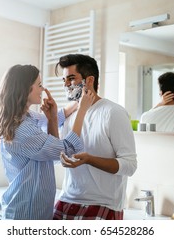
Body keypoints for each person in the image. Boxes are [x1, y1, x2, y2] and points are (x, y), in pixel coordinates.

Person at [0, 64, 94, 220]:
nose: (42, 89)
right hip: (26, 214)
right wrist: (82, 111)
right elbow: (65, 149)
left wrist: (72, 105)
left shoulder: (26, 118)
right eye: (39, 85)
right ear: (25, 89)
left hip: (32, 210)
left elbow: (50, 122)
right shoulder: (22, 130)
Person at [53, 54, 137, 220]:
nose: (66, 85)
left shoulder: (113, 113)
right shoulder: (70, 115)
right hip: (66, 200)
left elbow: (130, 166)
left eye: (71, 79)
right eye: (64, 80)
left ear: (89, 80)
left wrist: (89, 159)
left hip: (102, 205)